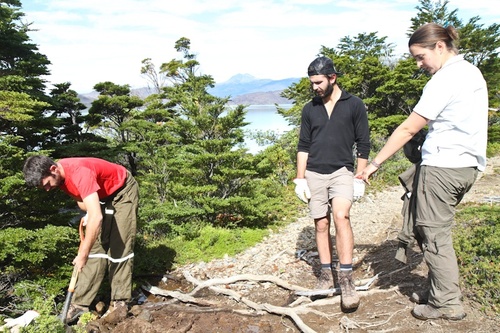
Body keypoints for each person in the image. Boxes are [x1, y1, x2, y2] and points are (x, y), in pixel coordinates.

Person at [358, 23, 488, 320]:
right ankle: (439, 290)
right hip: (466, 165)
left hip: (444, 166)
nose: (419, 64)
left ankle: (447, 304)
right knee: (430, 229)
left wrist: (374, 164)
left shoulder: (445, 79)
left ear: (439, 47)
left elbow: (408, 127)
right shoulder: (471, 72)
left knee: (434, 234)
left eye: (420, 57)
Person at [23, 155, 139, 323]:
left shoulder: (79, 173)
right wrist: (89, 213)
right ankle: (79, 305)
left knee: (119, 245)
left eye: (47, 184)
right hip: (102, 197)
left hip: (122, 190)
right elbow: (81, 199)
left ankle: (119, 301)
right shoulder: (60, 178)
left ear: (53, 170)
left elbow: (97, 218)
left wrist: (83, 252)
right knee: (96, 250)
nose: (47, 189)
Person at [293, 56, 370, 310]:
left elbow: (363, 143)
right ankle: (326, 275)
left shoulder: (354, 105)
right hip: (314, 173)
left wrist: (359, 177)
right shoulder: (310, 109)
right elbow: (303, 146)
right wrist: (300, 179)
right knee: (321, 222)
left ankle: (346, 278)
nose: (314, 87)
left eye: (318, 82)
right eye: (312, 83)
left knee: (341, 215)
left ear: (332, 78)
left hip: (342, 171)